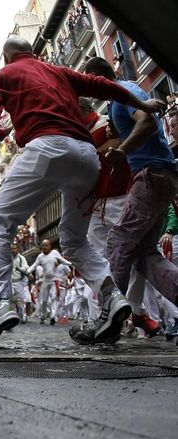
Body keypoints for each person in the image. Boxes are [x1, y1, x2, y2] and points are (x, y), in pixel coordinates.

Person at [0, 38, 166, 345]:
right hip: (87, 157)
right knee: (75, 240)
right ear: (34, 54)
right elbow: (104, 85)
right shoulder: (58, 71)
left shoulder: (4, 75)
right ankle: (112, 297)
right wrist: (143, 105)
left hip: (45, 149)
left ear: (7, 57)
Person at [82, 57, 178, 327]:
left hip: (150, 175)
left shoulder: (125, 91)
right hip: (158, 176)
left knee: (119, 244)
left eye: (88, 81)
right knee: (144, 254)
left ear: (97, 77)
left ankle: (107, 320)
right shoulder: (118, 100)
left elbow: (146, 121)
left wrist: (121, 150)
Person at [79, 97, 162, 337]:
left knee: (134, 258)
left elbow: (121, 143)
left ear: (84, 112)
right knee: (96, 261)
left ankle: (135, 310)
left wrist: (95, 151)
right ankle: (104, 317)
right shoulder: (78, 133)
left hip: (120, 199)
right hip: (94, 207)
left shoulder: (108, 123)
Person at [26, 240, 71, 327]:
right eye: (43, 245)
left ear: (50, 246)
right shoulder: (40, 257)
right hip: (45, 280)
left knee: (54, 298)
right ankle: (43, 316)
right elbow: (34, 265)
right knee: (44, 300)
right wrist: (28, 271)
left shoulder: (54, 253)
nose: (45, 247)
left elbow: (62, 260)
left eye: (46, 245)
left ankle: (53, 316)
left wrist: (72, 264)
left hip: (54, 280)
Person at [9, 243, 29, 324]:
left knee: (20, 301)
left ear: (18, 249)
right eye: (12, 248)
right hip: (10, 282)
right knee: (10, 300)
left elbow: (26, 269)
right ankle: (11, 317)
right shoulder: (9, 258)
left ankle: (22, 316)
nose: (12, 250)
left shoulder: (21, 258)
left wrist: (19, 269)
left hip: (18, 282)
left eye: (14, 248)